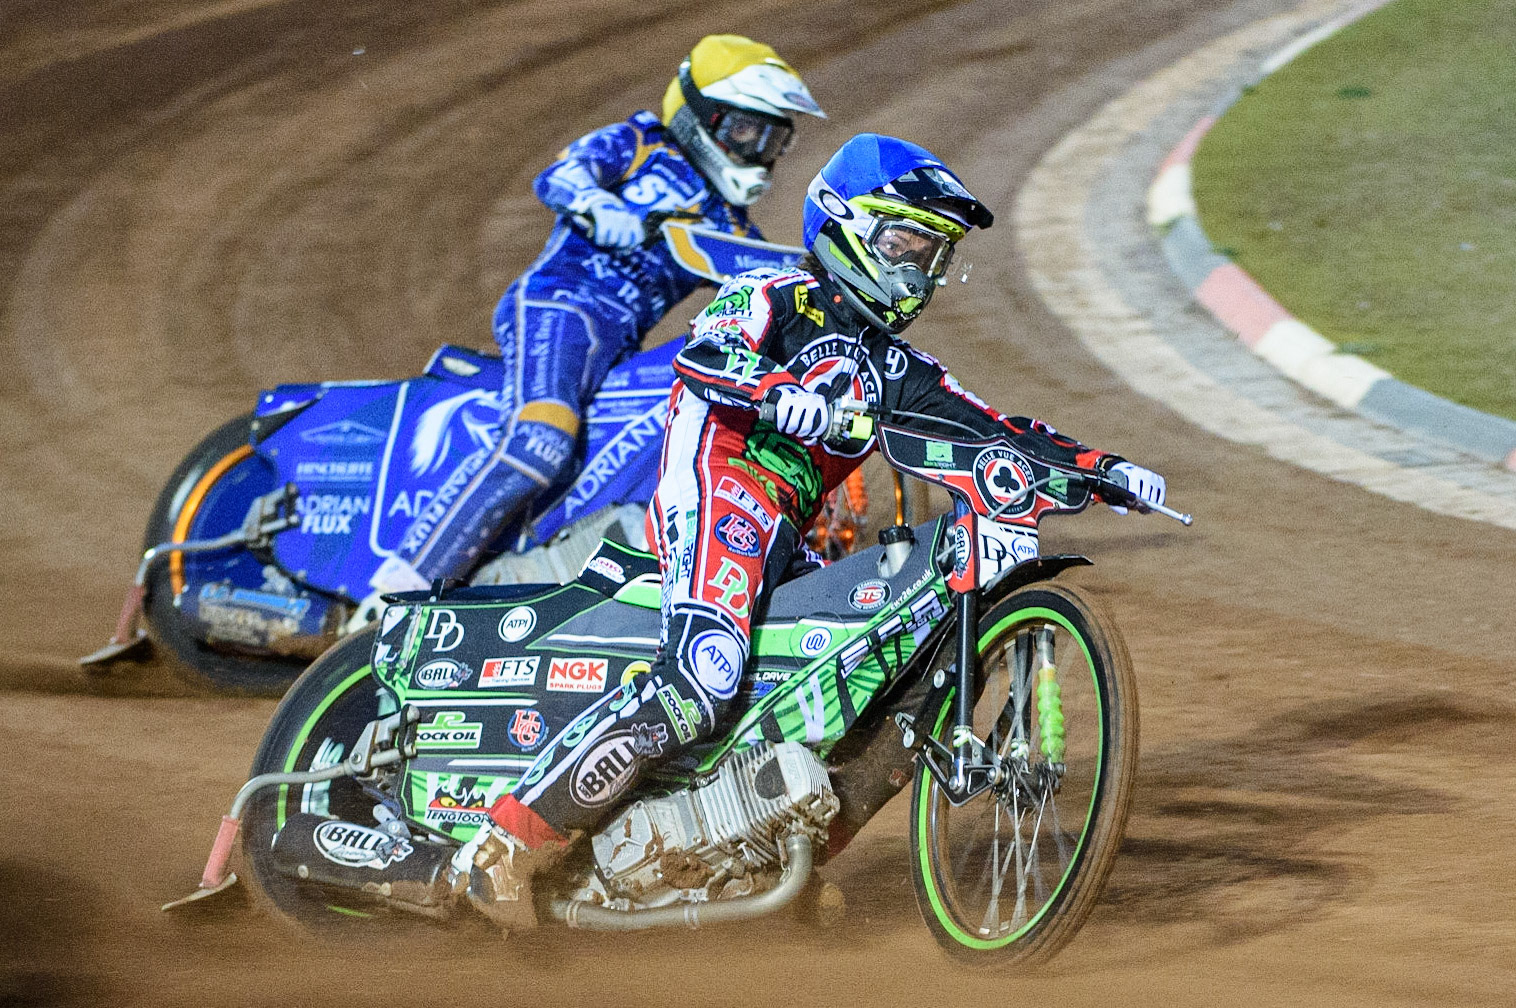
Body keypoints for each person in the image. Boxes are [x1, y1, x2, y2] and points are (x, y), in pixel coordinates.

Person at [463, 133, 1168, 929]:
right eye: (906, 245)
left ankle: (761, 854)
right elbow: (704, 358)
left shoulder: (891, 365)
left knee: (857, 693)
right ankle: (509, 842)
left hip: (786, 530)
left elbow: (990, 428)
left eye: (934, 256)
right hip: (719, 488)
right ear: (845, 226)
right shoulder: (775, 292)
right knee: (705, 673)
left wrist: (1099, 466)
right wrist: (771, 390)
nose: (919, 273)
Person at [362, 35, 825, 604]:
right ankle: (396, 589)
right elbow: (560, 174)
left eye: (773, 136)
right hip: (560, 305)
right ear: (702, 116)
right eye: (745, 130)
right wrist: (601, 205)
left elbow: (766, 281)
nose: (758, 149)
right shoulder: (642, 144)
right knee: (542, 439)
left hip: (617, 347)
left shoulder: (727, 222)